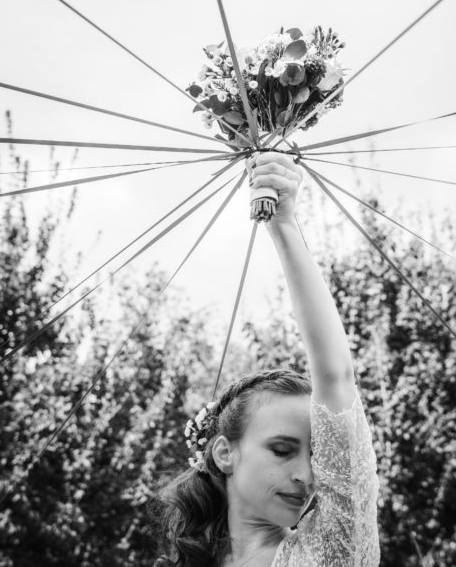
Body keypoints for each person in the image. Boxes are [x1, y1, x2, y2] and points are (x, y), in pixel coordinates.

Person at [154, 151, 380, 566]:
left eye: (317, 455)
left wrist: (284, 222)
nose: (307, 475)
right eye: (282, 449)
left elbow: (337, 378)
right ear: (225, 453)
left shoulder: (331, 554)